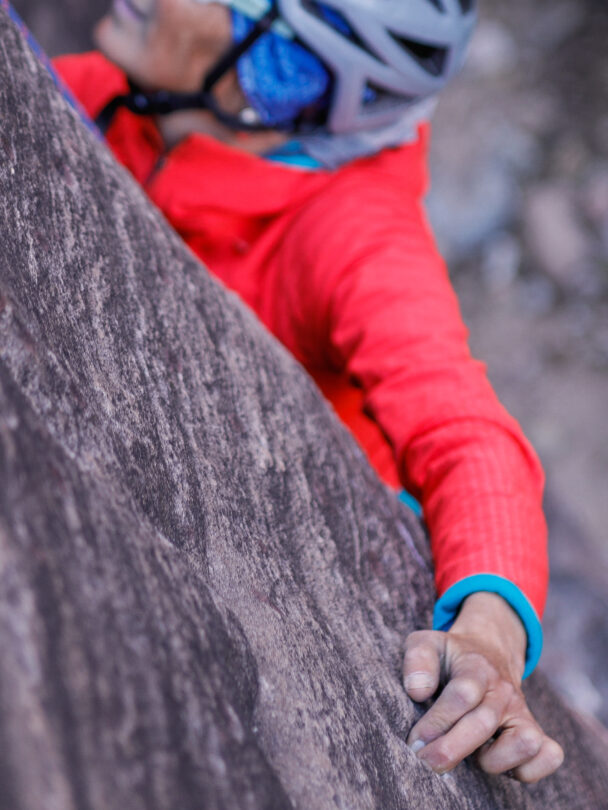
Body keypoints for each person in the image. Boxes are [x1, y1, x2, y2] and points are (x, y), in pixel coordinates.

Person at [54, 0, 564, 782]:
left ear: (278, 75)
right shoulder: (129, 98)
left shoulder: (352, 233)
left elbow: (467, 437)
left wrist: (489, 636)